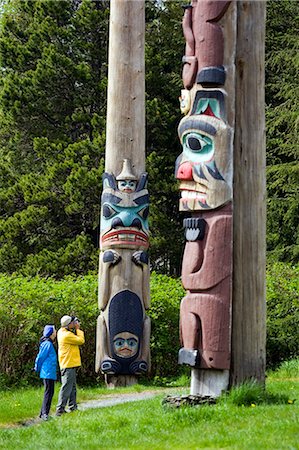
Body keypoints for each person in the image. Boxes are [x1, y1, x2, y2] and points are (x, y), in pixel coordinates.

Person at [56, 315, 85, 416]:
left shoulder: (61, 331)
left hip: (69, 363)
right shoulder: (67, 335)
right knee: (66, 387)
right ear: (69, 324)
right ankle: (60, 409)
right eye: (73, 322)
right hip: (68, 364)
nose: (75, 323)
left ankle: (73, 406)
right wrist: (78, 329)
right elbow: (81, 341)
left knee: (72, 387)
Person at [34, 325, 57, 421]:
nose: (56, 332)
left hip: (50, 372)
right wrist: (36, 367)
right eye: (55, 330)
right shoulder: (47, 344)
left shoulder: (49, 343)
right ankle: (44, 414)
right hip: (47, 372)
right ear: (51, 333)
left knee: (49, 392)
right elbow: (40, 357)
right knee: (48, 392)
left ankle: (42, 413)